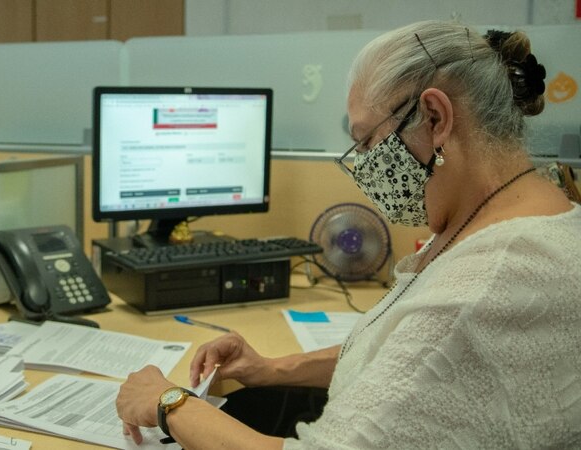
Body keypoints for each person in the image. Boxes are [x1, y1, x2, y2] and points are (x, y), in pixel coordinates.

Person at [116, 20, 581, 449]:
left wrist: (170, 403)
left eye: (368, 142)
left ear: (436, 118)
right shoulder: (519, 219)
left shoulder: (492, 281)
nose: (365, 165)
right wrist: (275, 368)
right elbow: (408, 360)